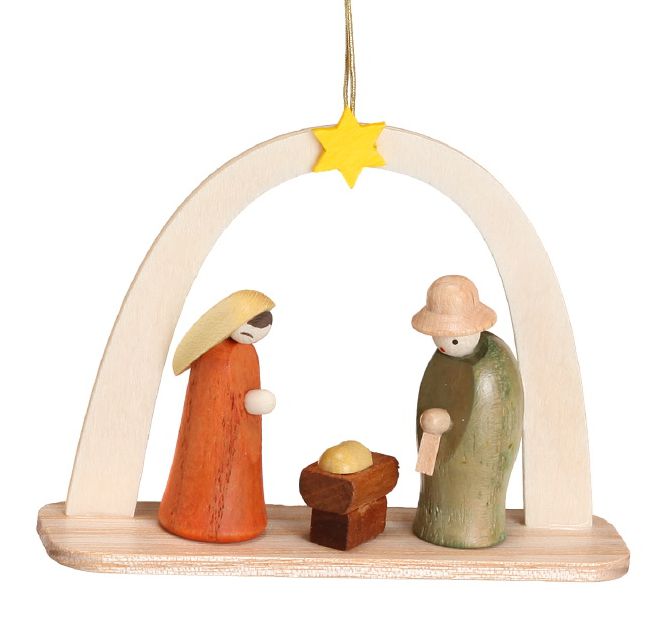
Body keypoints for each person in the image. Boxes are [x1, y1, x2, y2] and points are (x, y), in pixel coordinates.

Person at [411, 275, 524, 548]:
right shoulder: (442, 360)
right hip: (440, 448)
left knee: (468, 490)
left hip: (473, 465)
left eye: (451, 339)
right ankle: (433, 522)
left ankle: (473, 529)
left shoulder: (490, 367)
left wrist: (445, 421)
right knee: (438, 485)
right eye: (438, 336)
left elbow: (487, 425)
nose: (442, 345)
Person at [159, 290, 276, 542]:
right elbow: (220, 399)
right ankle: (201, 519)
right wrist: (251, 401)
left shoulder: (245, 353)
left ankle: (237, 517)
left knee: (236, 476)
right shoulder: (217, 357)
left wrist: (250, 401)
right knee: (209, 467)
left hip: (240, 442)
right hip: (212, 441)